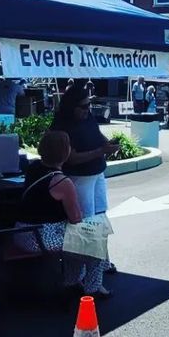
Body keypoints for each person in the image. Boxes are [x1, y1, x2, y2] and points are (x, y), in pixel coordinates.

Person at [14, 130, 108, 297]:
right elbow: (75, 219)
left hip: (21, 232)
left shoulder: (34, 167)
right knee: (95, 240)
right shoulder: (63, 182)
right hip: (42, 237)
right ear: (65, 152)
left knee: (76, 240)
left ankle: (72, 281)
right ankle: (92, 288)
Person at [51, 83, 119, 271]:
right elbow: (71, 158)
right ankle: (82, 270)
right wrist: (100, 151)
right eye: (83, 107)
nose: (87, 110)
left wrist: (108, 145)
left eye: (88, 105)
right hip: (79, 176)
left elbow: (97, 134)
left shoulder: (87, 117)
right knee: (86, 222)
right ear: (72, 106)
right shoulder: (62, 124)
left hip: (96, 173)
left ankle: (102, 261)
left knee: (99, 217)